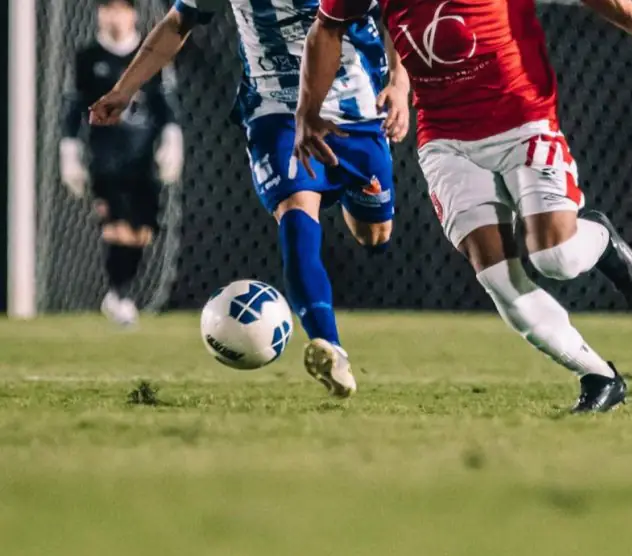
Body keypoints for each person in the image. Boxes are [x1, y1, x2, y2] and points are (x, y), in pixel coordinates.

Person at [294, 0, 632, 412]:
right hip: (445, 140)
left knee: (555, 257)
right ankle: (598, 377)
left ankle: (599, 237)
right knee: (498, 276)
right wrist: (308, 111)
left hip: (521, 118)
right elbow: (329, 27)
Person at [90, 0, 410, 397]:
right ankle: (332, 348)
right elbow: (178, 22)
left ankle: (350, 197)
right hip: (277, 111)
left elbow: (400, 11)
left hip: (357, 108)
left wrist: (399, 80)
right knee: (295, 211)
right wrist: (125, 89)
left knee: (374, 234)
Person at [61, 0, 184, 326]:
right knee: (115, 227)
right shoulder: (87, 58)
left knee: (139, 232)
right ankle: (120, 294)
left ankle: (119, 293)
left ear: (132, 13)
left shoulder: (151, 53)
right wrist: (70, 150)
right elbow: (74, 107)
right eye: (107, 8)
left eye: (120, 8)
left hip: (142, 157)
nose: (114, 15)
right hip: (106, 158)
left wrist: (172, 139)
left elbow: (163, 102)